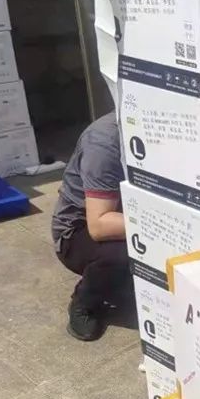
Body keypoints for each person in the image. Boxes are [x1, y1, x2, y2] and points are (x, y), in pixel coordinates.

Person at [51, 112, 129, 341]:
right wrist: (164, 224)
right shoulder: (105, 142)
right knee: (130, 250)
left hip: (125, 213)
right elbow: (99, 225)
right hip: (78, 230)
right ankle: (85, 301)